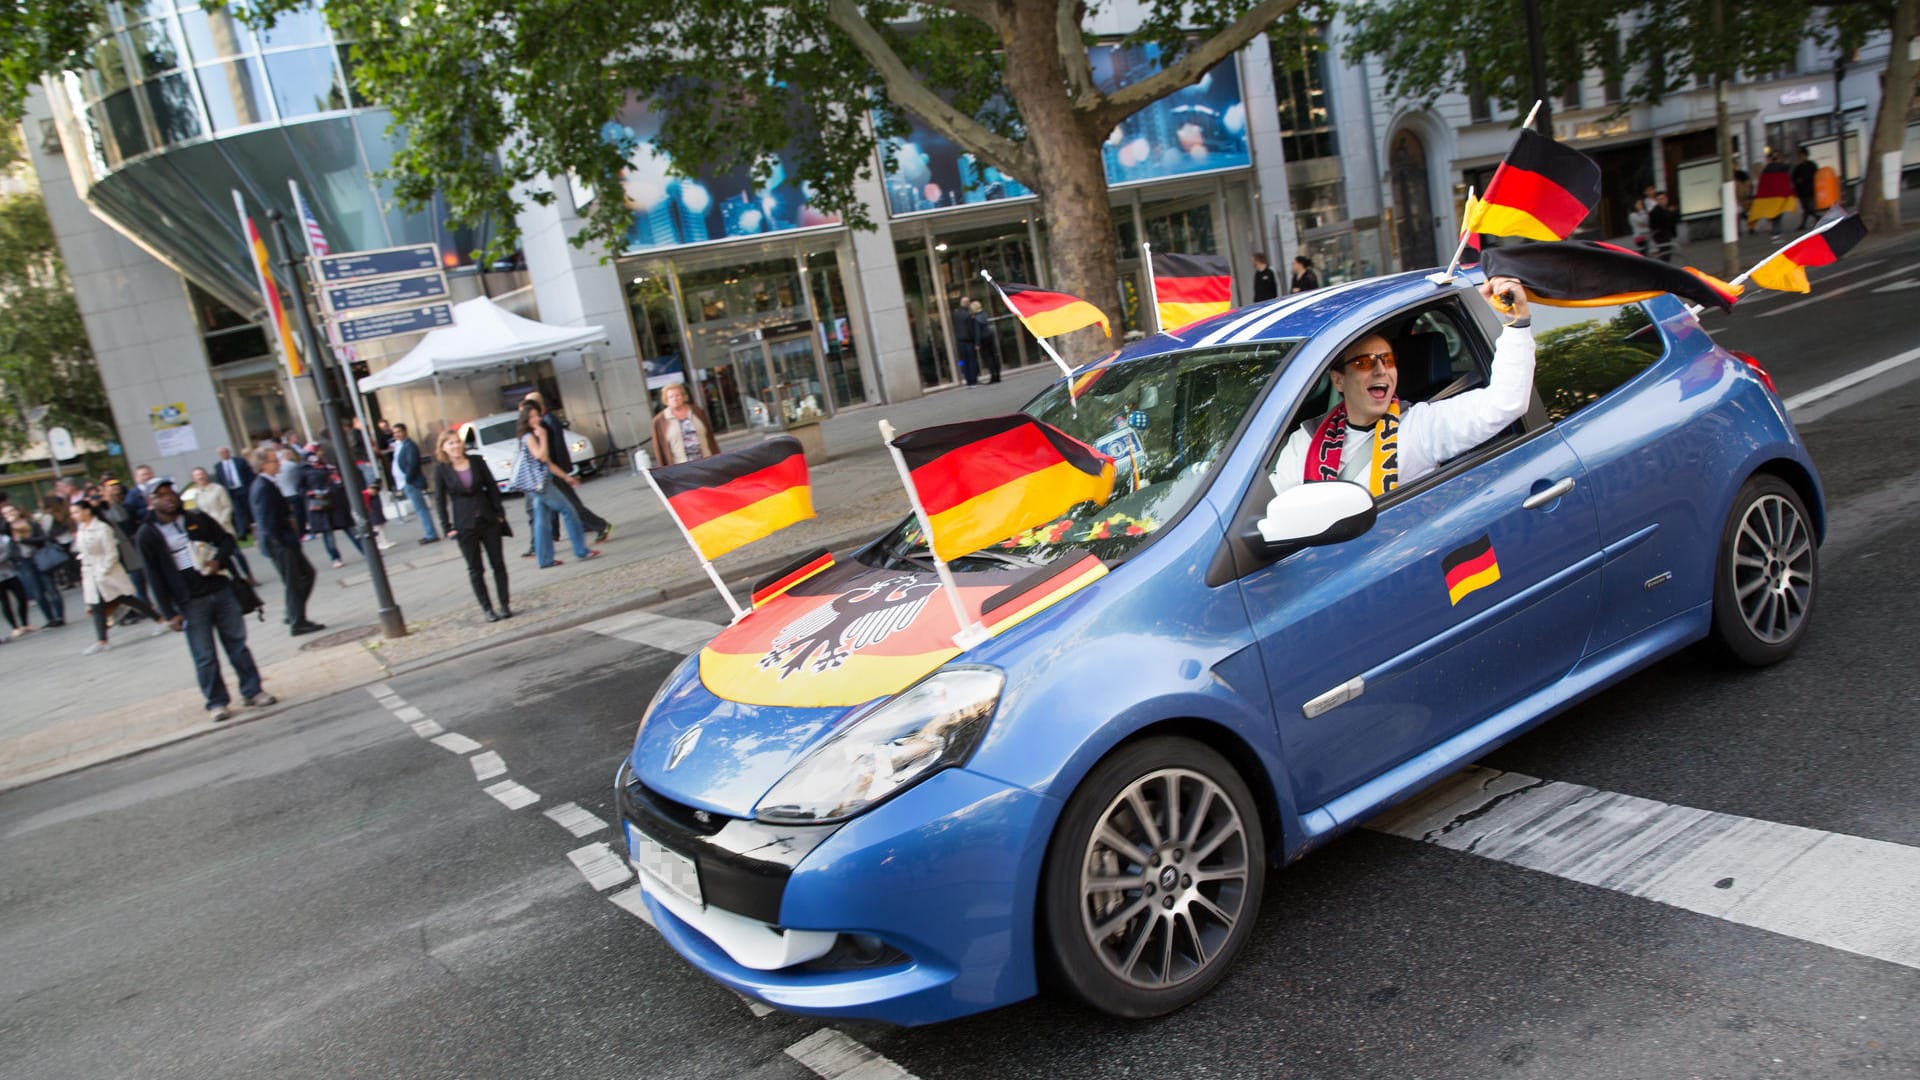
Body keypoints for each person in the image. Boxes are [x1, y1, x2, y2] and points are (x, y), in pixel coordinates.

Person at [1270, 277, 1536, 496]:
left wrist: (1517, 324)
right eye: (1364, 362)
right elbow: (1274, 512)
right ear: (1338, 379)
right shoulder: (1305, 440)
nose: (1380, 369)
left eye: (1387, 360)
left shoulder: (1420, 426)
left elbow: (1505, 403)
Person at [135, 482, 276, 720]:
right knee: (205, 655)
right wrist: (169, 613)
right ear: (150, 502)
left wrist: (217, 561)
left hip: (219, 589)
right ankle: (216, 701)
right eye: (160, 495)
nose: (168, 498)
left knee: (238, 646)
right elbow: (153, 576)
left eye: (170, 492)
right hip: (189, 601)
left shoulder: (197, 518)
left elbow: (227, 541)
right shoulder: (147, 534)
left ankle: (253, 691)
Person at [434, 430, 512, 621]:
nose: (455, 446)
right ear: (443, 447)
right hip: (464, 523)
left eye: (457, 442)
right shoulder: (441, 469)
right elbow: (439, 500)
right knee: (475, 569)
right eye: (450, 443)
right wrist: (447, 527)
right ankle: (487, 609)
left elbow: (492, 487)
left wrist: (499, 513)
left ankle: (504, 604)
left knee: (498, 564)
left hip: (487, 519)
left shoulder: (476, 461)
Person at [72, 497, 163, 654]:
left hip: (107, 572)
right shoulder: (81, 529)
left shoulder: (102, 528)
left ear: (86, 511)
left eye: (76, 511)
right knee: (97, 605)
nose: (74, 515)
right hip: (90, 573)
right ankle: (102, 640)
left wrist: (103, 570)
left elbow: (111, 553)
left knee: (126, 598)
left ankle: (159, 619)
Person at [517, 399, 600, 569]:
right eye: (532, 417)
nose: (536, 420)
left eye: (537, 416)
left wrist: (566, 477)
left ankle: (545, 559)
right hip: (542, 485)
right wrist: (543, 437)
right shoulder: (529, 437)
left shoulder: (529, 436)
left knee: (541, 520)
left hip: (538, 484)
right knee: (568, 511)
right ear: (526, 420)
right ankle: (580, 550)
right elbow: (542, 457)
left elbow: (547, 464)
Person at [249, 446, 324, 636]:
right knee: (295, 580)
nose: (279, 464)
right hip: (280, 543)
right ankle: (297, 621)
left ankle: (293, 613)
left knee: (305, 575)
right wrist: (281, 543)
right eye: (274, 461)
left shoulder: (267, 484)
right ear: (264, 465)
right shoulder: (262, 487)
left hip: (284, 541)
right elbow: (266, 520)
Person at [525, 392, 611, 542]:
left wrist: (563, 472)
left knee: (571, 505)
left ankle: (600, 525)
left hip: (554, 471)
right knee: (555, 505)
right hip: (551, 472)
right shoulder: (542, 424)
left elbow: (556, 448)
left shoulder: (547, 423)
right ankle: (552, 535)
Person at [5, 501, 67, 628]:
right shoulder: (7, 529)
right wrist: (8, 525)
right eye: (5, 513)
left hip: (39, 557)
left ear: (17, 511)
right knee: (37, 592)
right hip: (24, 561)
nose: (9, 514)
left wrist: (24, 540)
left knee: (50, 587)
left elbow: (43, 538)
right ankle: (50, 618)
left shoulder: (31, 524)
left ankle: (59, 616)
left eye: (11, 511)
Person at [187, 468, 255, 583]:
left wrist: (221, 521)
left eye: (202, 474)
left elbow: (227, 506)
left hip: (224, 526)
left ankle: (250, 576)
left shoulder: (218, 489)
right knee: (221, 556)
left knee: (236, 553)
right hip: (210, 531)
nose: (200, 477)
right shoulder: (196, 494)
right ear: (194, 479)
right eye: (197, 476)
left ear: (206, 475)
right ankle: (236, 579)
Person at [301, 445, 363, 568]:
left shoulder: (328, 466)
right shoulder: (304, 470)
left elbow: (339, 481)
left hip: (336, 502)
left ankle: (365, 550)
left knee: (350, 529)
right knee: (328, 533)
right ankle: (335, 557)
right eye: (318, 451)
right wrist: (312, 493)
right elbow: (301, 488)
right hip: (321, 505)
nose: (321, 452)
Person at [389, 423, 440, 544]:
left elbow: (413, 464)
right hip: (405, 482)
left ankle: (431, 534)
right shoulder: (399, 445)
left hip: (411, 482)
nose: (396, 434)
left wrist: (408, 479)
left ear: (405, 432)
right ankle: (430, 533)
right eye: (394, 432)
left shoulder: (410, 445)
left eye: (398, 432)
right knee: (419, 509)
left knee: (421, 509)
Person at [650, 383, 721, 465]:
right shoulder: (659, 420)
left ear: (684, 397)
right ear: (666, 400)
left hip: (706, 461)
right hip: (681, 466)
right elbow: (659, 449)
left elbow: (710, 437)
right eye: (671, 397)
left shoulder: (697, 412)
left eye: (678, 395)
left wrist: (718, 458)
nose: (675, 399)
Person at [211, 445, 256, 540]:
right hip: (230, 492)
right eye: (222, 453)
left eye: (225, 452)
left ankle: (255, 527)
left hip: (243, 488)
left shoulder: (239, 461)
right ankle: (242, 533)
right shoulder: (218, 466)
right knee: (238, 512)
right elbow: (219, 480)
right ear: (219, 455)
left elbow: (249, 474)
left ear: (229, 452)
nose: (224, 454)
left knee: (249, 508)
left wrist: (249, 487)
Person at [0, 522, 37, 636]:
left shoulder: (5, 539)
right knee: (5, 602)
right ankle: (15, 627)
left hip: (10, 572)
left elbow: (10, 552)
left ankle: (25, 623)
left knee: (21, 597)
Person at [969, 300, 1003, 383]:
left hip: (983, 339)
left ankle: (993, 375)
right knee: (994, 355)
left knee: (987, 358)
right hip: (990, 336)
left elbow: (977, 332)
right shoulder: (984, 314)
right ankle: (997, 375)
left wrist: (977, 344)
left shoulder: (976, 318)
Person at [951, 292, 978, 385]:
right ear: (967, 304)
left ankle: (968, 380)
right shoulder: (968, 315)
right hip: (968, 341)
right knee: (972, 361)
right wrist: (976, 341)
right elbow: (971, 329)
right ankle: (973, 379)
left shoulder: (956, 314)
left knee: (964, 361)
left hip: (960, 341)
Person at [1791, 148, 1818, 231]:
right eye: (1801, 156)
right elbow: (1793, 178)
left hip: (1810, 190)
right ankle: (1817, 218)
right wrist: (1797, 181)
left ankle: (1803, 224)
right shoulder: (1798, 167)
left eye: (1803, 155)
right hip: (1801, 191)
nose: (1802, 157)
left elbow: (1816, 175)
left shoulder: (1811, 165)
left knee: (1808, 208)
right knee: (1806, 208)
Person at [1648, 192, 1679, 262]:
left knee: (1668, 255)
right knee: (1664, 255)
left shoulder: (1668, 210)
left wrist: (1673, 213)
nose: (1661, 201)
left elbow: (1674, 221)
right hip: (1661, 237)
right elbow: (1654, 225)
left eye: (1662, 199)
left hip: (1669, 235)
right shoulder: (1654, 212)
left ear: (1666, 199)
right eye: (1659, 199)